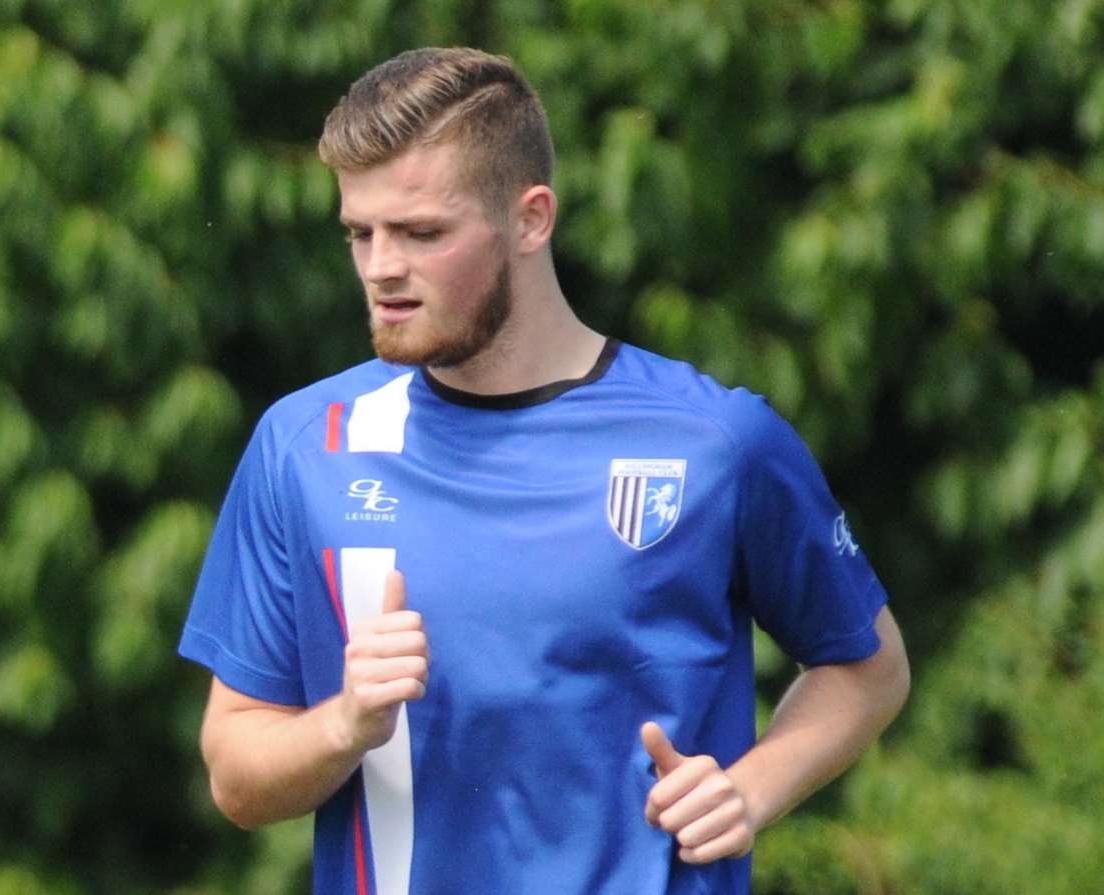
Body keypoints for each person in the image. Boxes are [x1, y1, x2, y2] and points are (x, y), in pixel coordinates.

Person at [178, 47, 910, 895]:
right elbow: (235, 774)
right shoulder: (306, 443)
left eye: (420, 232)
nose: (380, 267)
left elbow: (868, 664)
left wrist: (752, 788)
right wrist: (346, 723)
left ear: (530, 220)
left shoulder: (714, 441)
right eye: (359, 232)